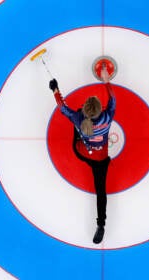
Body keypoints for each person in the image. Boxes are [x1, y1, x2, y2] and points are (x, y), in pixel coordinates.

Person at [48, 67, 116, 244]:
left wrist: (55, 90)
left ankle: (81, 133)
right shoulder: (108, 118)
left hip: (83, 153)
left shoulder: (79, 118)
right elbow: (113, 100)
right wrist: (106, 80)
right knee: (101, 192)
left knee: (74, 119)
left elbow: (63, 107)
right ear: (100, 111)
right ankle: (101, 224)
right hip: (101, 160)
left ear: (87, 109)